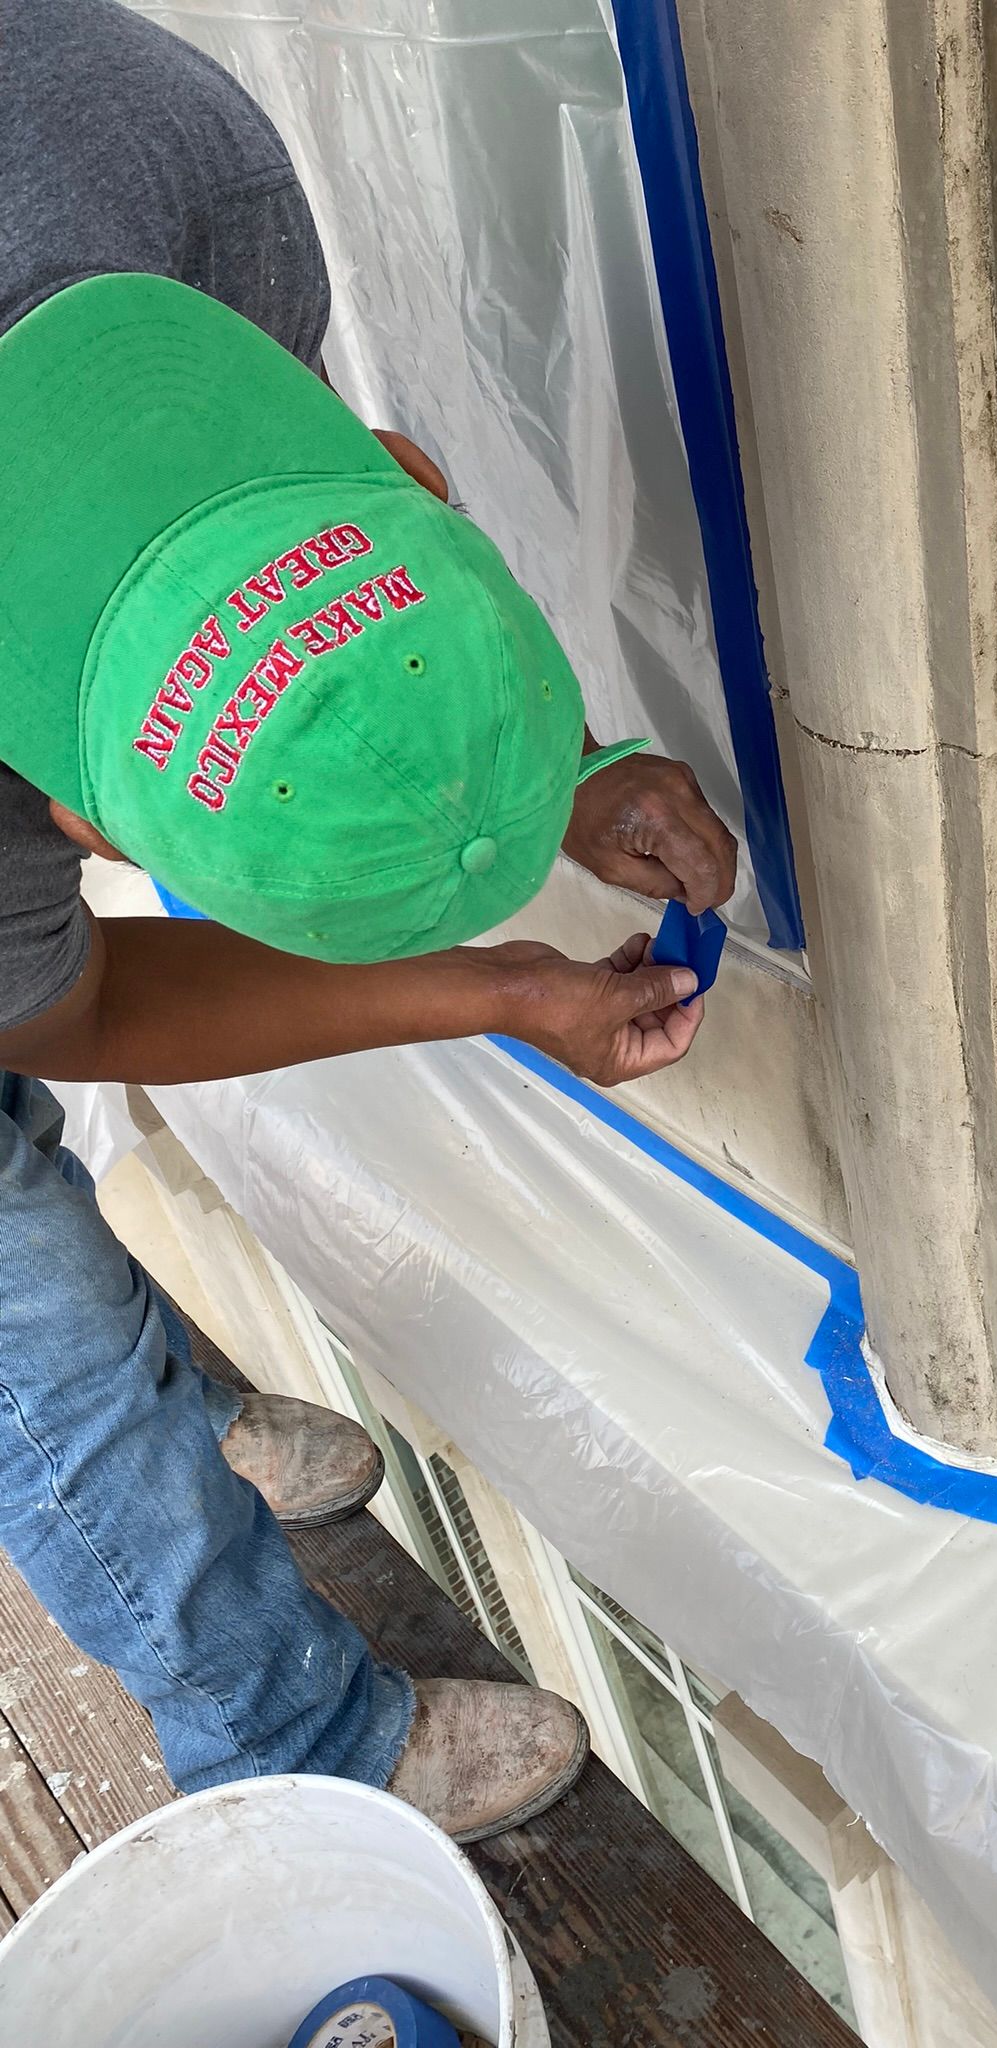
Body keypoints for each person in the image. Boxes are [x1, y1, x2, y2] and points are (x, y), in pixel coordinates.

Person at [0, 0, 737, 1843]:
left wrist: (548, 753)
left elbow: (309, 528)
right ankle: (302, 1749)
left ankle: (185, 1433)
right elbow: (68, 1014)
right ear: (85, 824)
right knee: (41, 1343)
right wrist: (493, 989)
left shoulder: (163, 153)